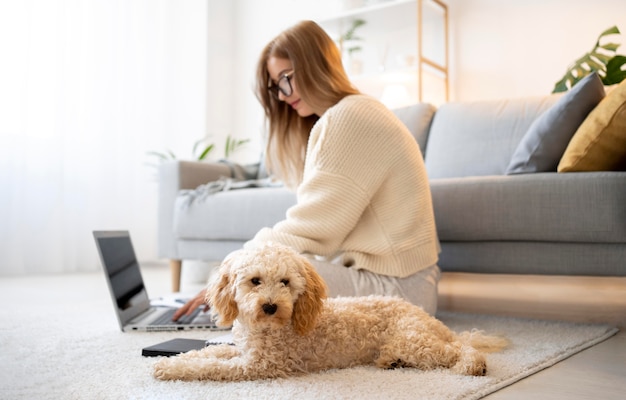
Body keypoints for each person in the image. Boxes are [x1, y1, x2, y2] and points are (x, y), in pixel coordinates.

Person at [173, 20, 440, 321]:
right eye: (277, 87)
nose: (283, 96)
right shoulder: (356, 111)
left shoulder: (349, 116)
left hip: (397, 290)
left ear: (315, 65)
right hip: (408, 285)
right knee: (268, 279)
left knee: (259, 281)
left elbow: (313, 227)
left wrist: (231, 268)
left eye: (286, 78)